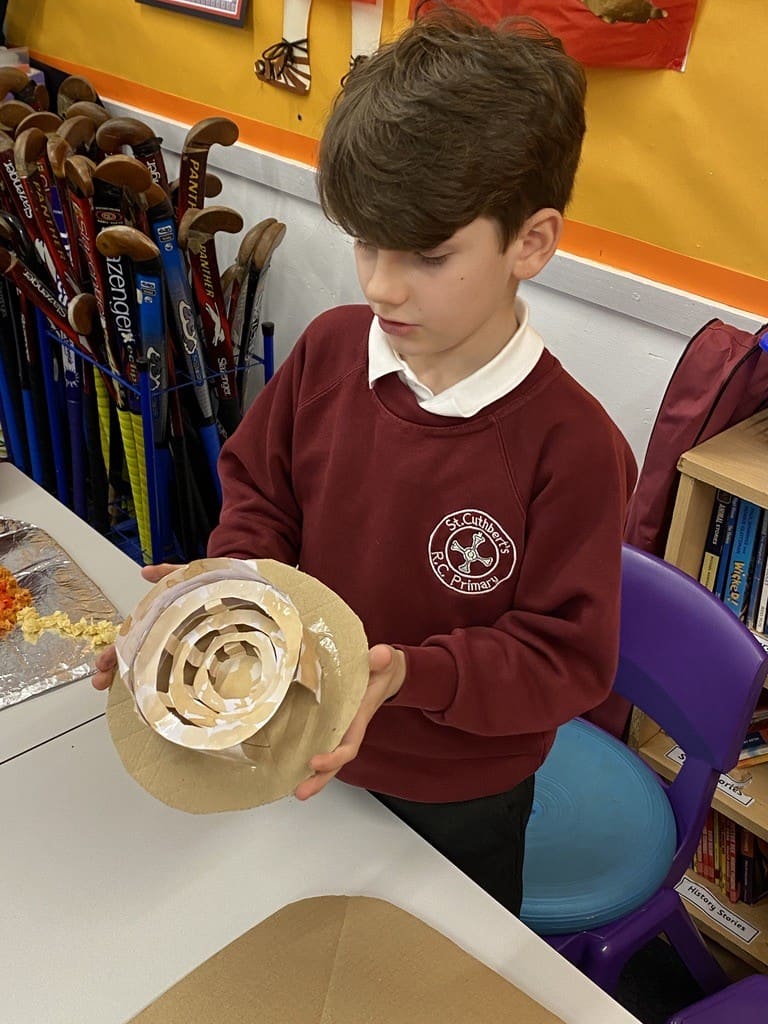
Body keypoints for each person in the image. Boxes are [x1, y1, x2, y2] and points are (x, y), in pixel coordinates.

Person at [95, 3, 637, 917]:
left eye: (427, 254)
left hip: (454, 791)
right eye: (366, 242)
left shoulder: (573, 448)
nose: (383, 284)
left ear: (531, 243)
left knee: (428, 969)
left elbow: (565, 659)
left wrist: (411, 674)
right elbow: (260, 490)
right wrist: (227, 584)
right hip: (294, 735)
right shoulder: (333, 349)